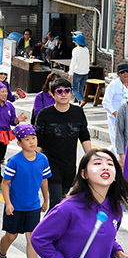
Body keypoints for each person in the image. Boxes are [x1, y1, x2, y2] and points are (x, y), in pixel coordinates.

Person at [31, 149, 128, 258]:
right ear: (84, 174)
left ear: (115, 176)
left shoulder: (115, 208)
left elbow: (106, 238)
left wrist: (121, 255)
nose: (105, 167)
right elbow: (38, 238)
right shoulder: (68, 208)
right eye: (97, 163)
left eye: (110, 164)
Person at [0, 124, 50, 258]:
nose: (32, 142)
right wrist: (8, 203)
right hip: (15, 207)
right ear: (19, 143)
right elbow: (5, 184)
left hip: (33, 206)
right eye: (27, 139)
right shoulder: (14, 161)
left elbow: (44, 180)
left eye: (33, 138)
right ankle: (1, 255)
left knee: (32, 238)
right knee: (11, 236)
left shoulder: (42, 159)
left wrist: (46, 199)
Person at [36, 78, 92, 210]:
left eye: (67, 91)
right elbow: (39, 142)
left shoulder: (78, 112)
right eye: (59, 91)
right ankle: (50, 230)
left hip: (70, 166)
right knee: (56, 202)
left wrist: (92, 158)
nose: (63, 94)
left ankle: (53, 226)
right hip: (51, 165)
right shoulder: (44, 115)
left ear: (71, 93)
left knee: (63, 200)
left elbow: (84, 136)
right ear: (53, 94)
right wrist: (32, 163)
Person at [0, 82, 27, 185]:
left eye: (6, 91)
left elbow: (12, 121)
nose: (5, 94)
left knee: (1, 155)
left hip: (4, 136)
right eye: (2, 91)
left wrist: (17, 120)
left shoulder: (10, 106)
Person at [103, 62, 128, 155]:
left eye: (127, 71)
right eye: (122, 72)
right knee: (117, 138)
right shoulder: (113, 85)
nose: (125, 74)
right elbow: (106, 102)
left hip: (127, 117)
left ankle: (109, 154)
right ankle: (119, 161)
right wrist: (115, 114)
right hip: (115, 117)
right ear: (118, 74)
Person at [69, 34, 90, 108]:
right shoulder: (86, 49)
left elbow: (73, 62)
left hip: (77, 71)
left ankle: (81, 100)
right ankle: (81, 103)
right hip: (85, 72)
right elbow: (88, 61)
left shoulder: (75, 50)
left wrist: (70, 73)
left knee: (74, 89)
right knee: (81, 88)